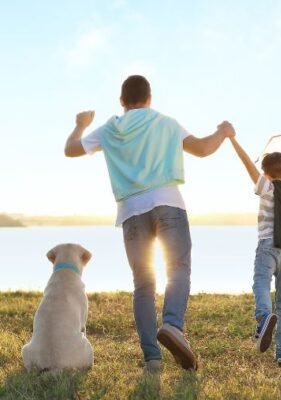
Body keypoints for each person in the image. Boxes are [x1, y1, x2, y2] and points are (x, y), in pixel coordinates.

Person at [63, 75, 235, 372]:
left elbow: (71, 149)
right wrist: (222, 131)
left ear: (122, 101)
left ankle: (152, 358)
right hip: (168, 202)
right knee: (177, 268)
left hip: (131, 211)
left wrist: (81, 123)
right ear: (150, 98)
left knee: (143, 284)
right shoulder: (166, 123)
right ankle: (172, 326)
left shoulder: (110, 129)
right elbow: (204, 149)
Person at [228, 125, 281, 367]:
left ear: (265, 174)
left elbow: (248, 165)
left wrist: (233, 140)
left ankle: (264, 317)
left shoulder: (266, 187)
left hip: (267, 245)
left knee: (260, 283)